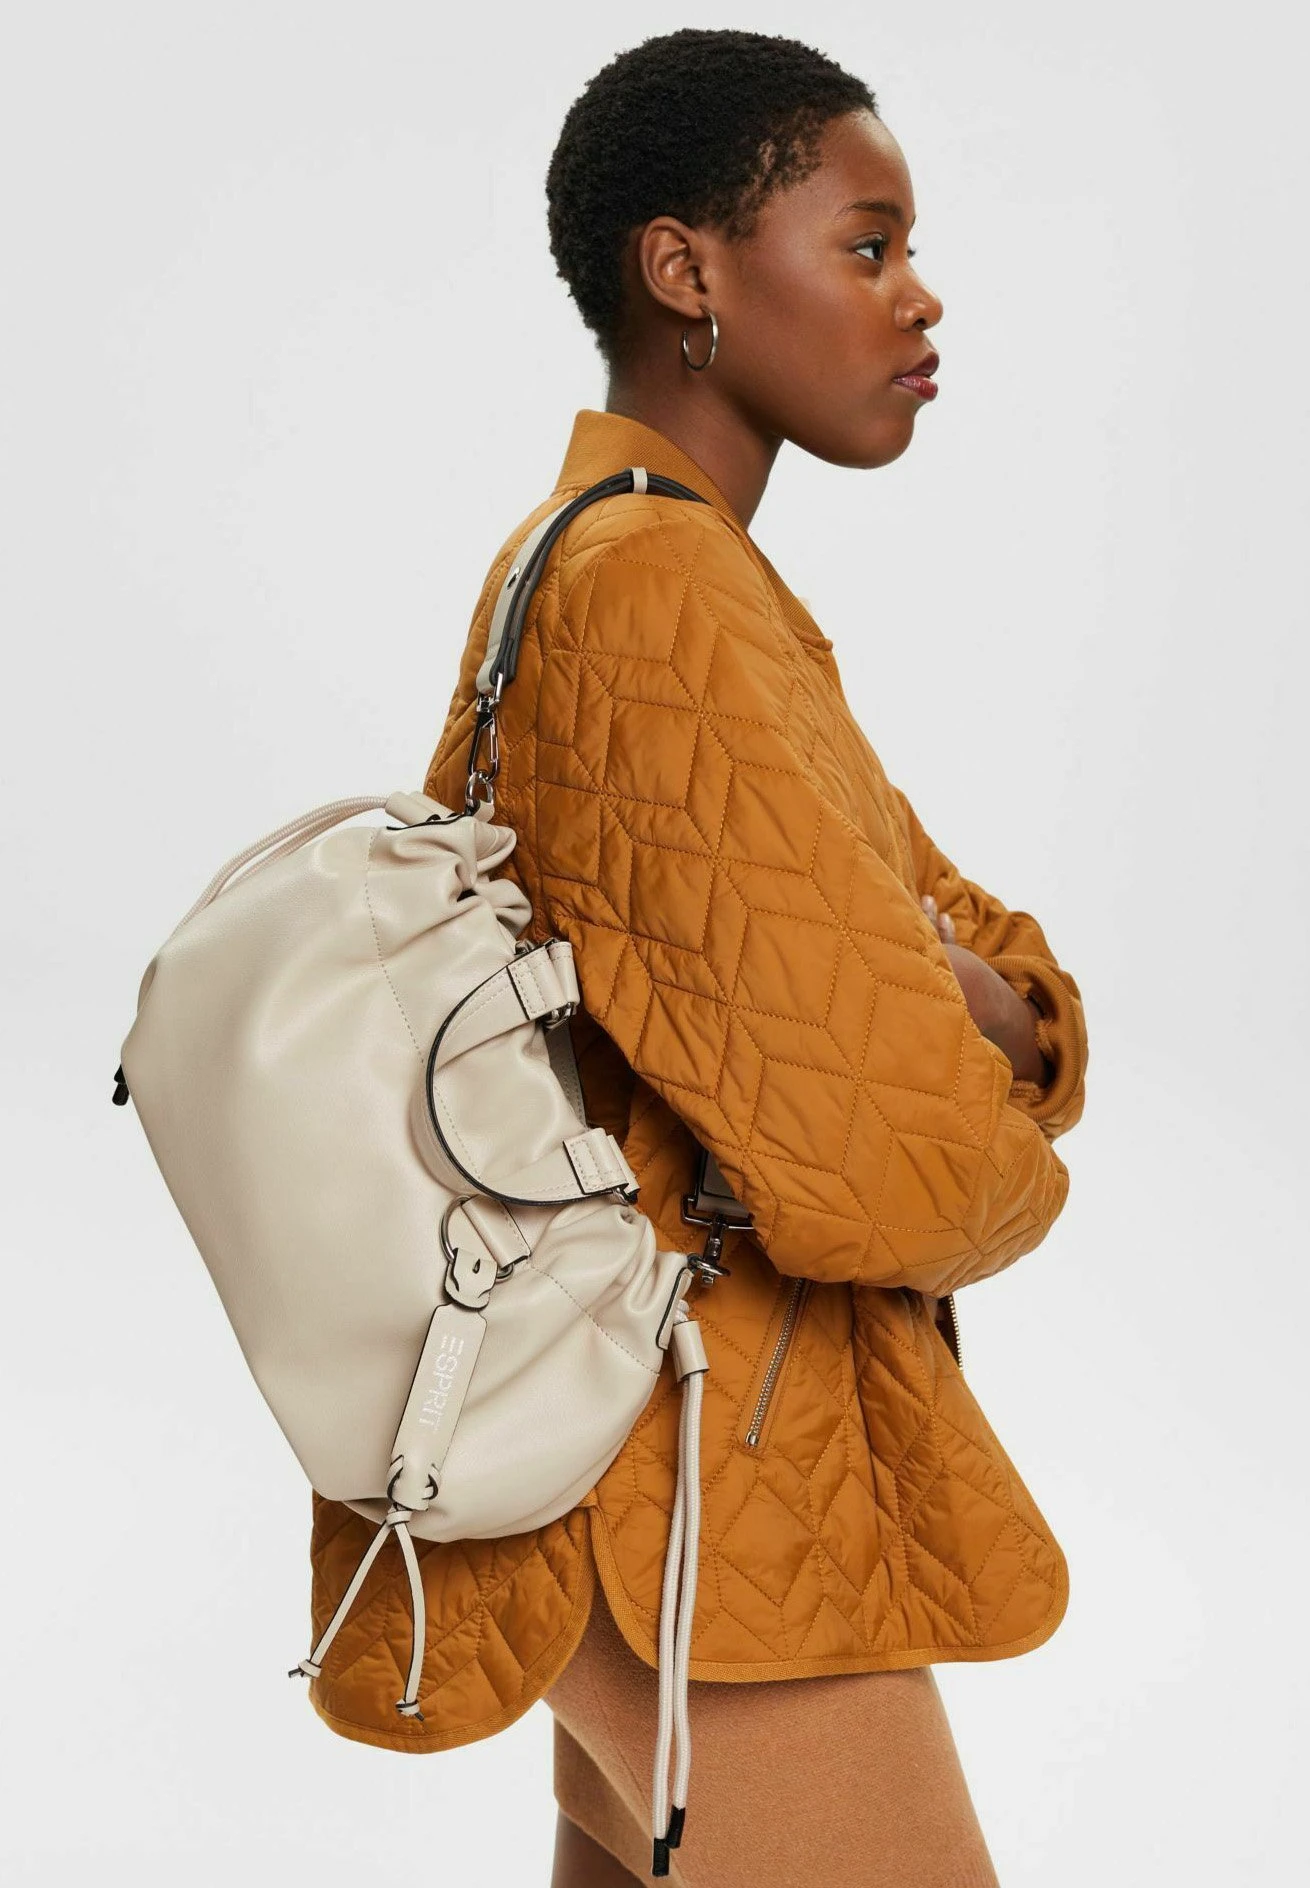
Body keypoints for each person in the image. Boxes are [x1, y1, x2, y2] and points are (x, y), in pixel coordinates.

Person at [301, 28, 1089, 1887]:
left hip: (651, 1445)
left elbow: (953, 946)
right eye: (867, 244)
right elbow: (888, 1151)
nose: (918, 296)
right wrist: (996, 1045)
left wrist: (988, 1006)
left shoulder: (627, 562)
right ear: (686, 271)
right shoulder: (654, 594)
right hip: (695, 1481)